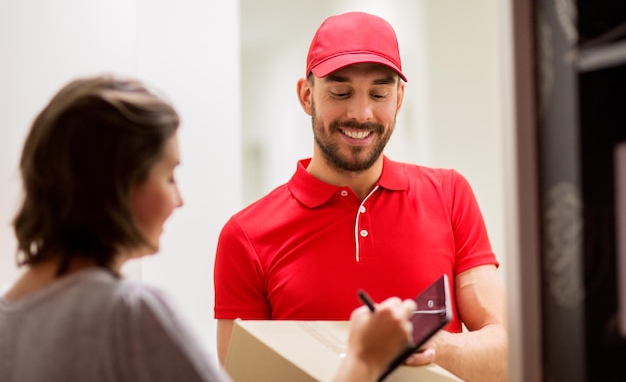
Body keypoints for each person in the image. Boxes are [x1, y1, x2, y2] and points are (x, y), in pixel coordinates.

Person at [0, 74, 419, 382]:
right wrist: (365, 360)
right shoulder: (130, 315)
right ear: (117, 183)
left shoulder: (9, 320)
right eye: (169, 176)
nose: (177, 200)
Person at [214, 11, 508, 382]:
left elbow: (507, 354)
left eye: (379, 93)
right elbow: (239, 376)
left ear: (399, 98)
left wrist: (423, 347)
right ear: (307, 96)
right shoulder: (245, 236)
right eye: (340, 92)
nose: (361, 113)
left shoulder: (450, 195)